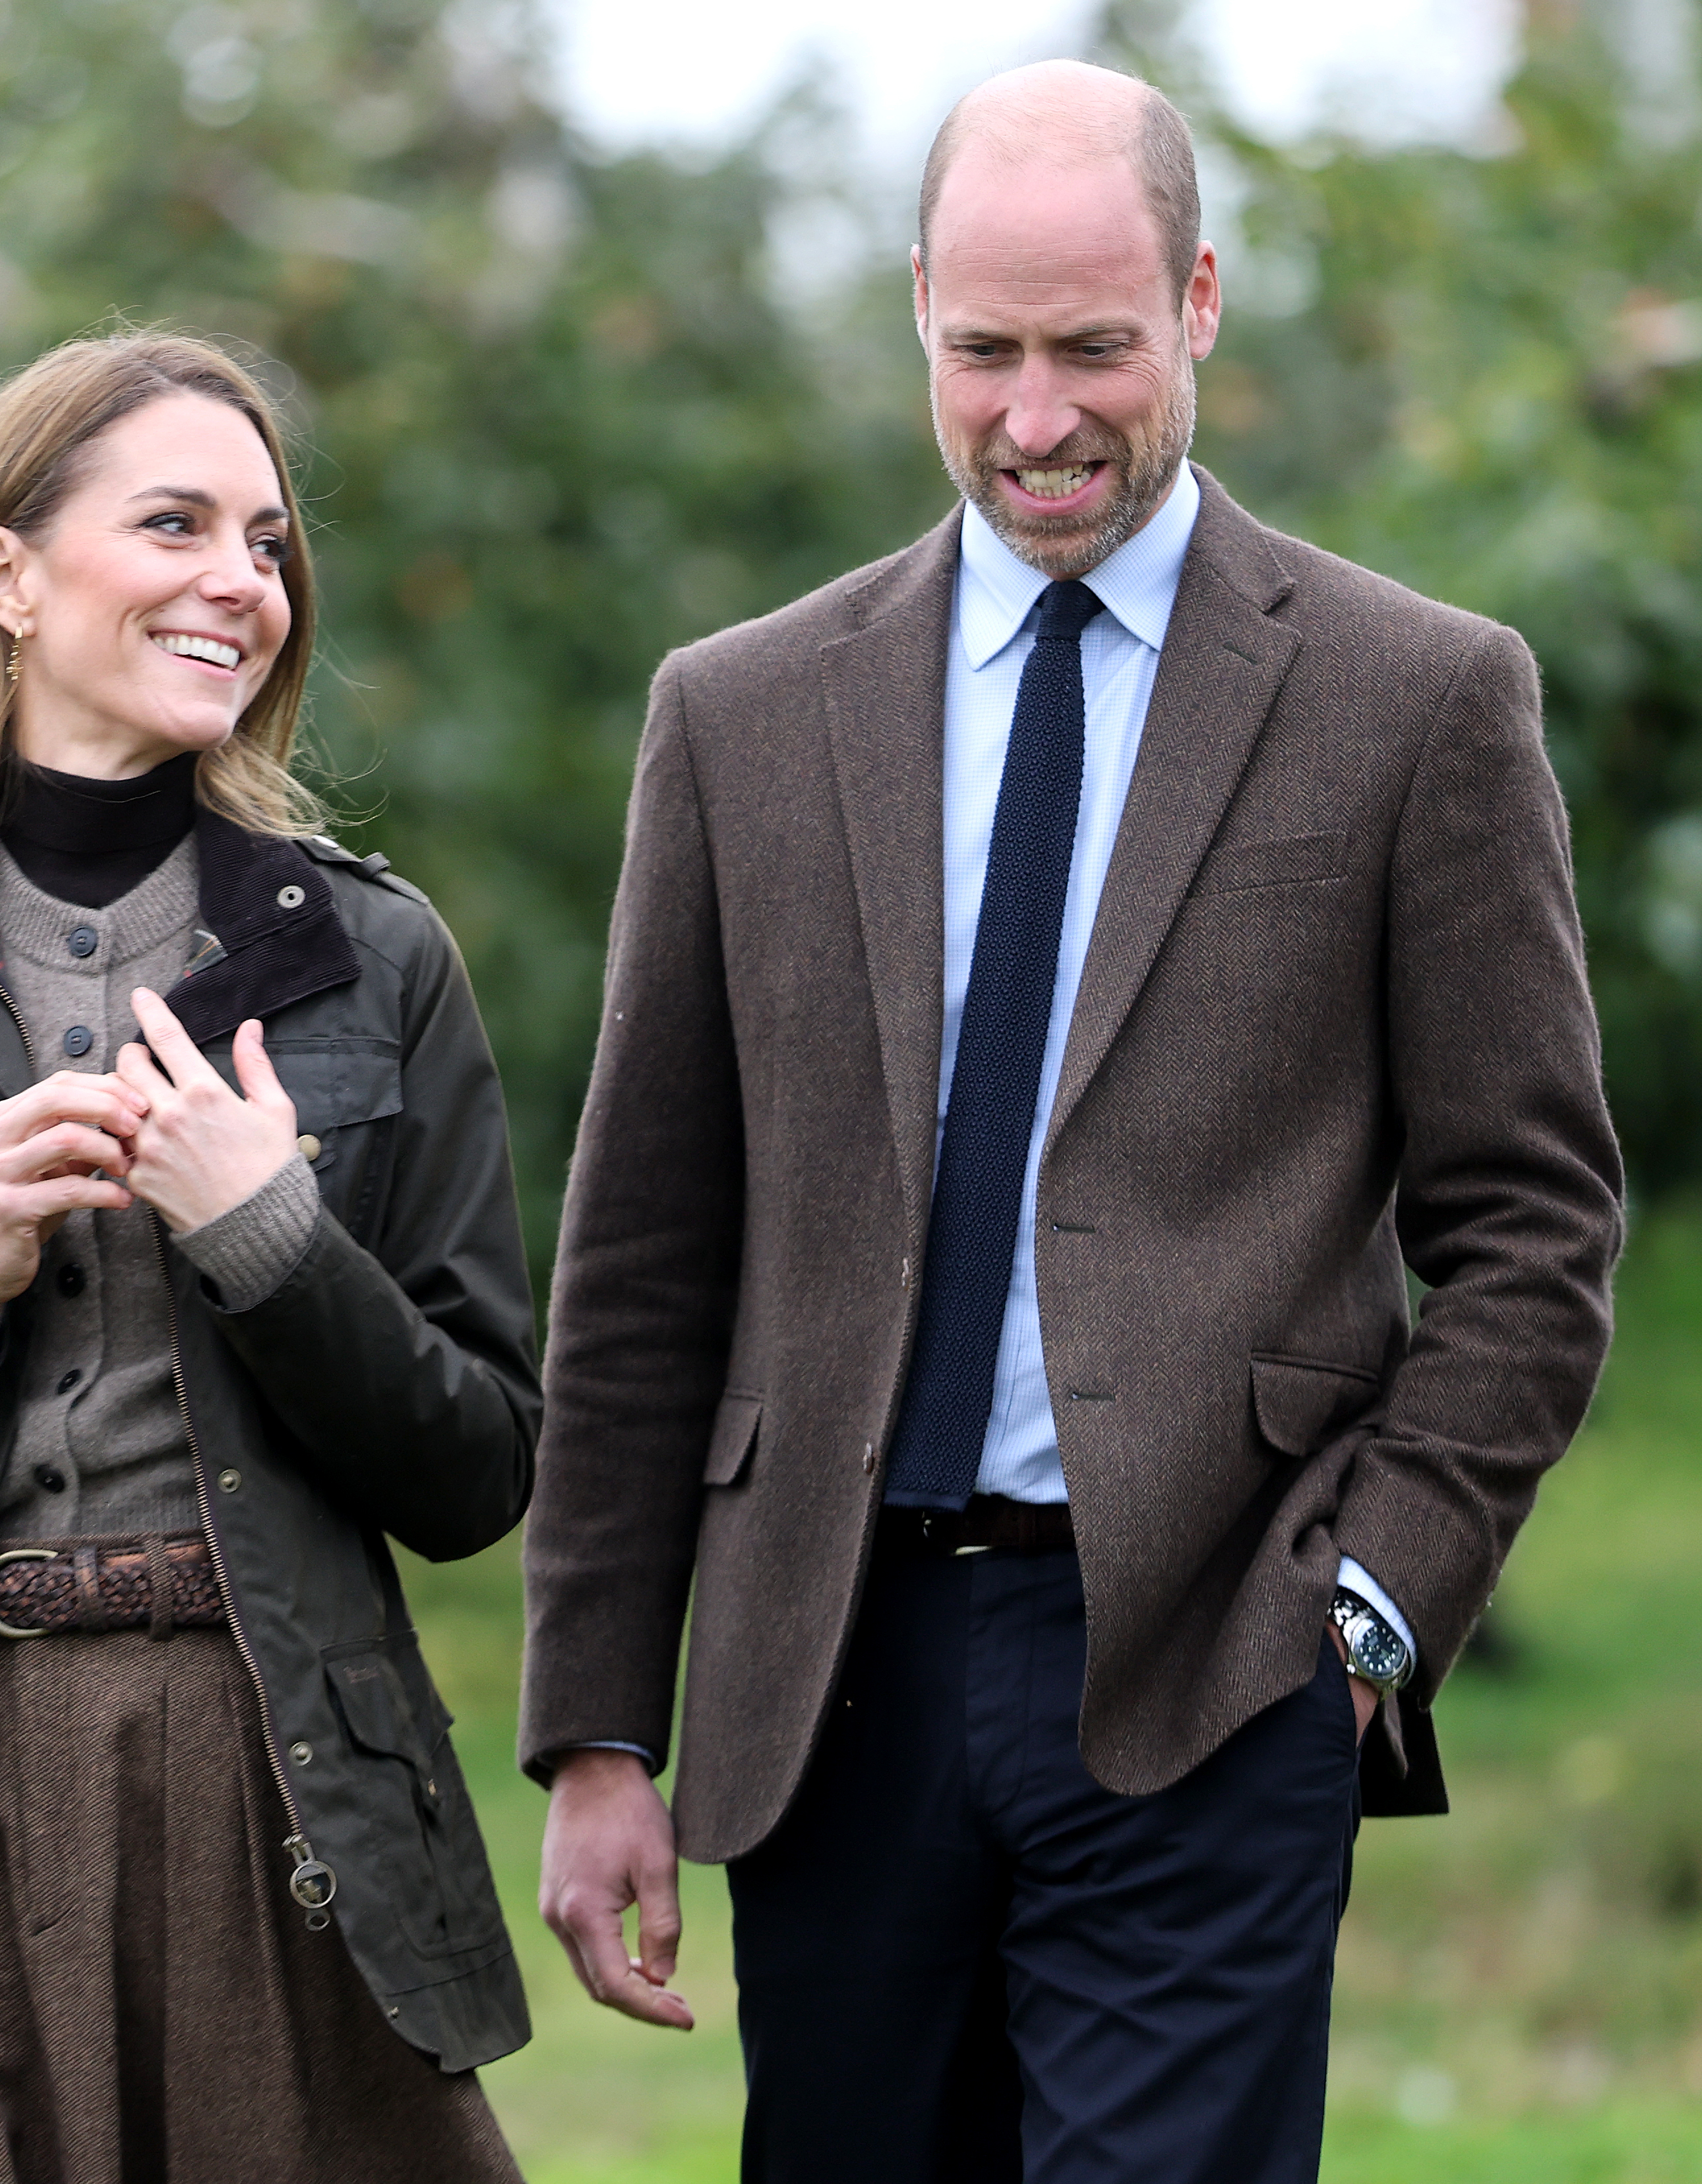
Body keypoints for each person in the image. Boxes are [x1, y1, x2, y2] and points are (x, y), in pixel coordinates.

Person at [519, 59, 1624, 2184]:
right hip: (820, 1680)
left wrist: (1368, 1613)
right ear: (917, 310)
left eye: (1095, 348)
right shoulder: (736, 716)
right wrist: (593, 1721)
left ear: (1198, 303)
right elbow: (643, 1250)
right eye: (985, 353)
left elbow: (1533, 1227)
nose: (1038, 418)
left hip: (1213, 1665)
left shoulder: (1417, 700)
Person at [0, 332, 540, 2184]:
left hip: (271, 1784)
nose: (246, 581)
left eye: (270, 542)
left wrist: (273, 1239)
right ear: (4, 573)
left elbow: (476, 1472)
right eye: (177, 524)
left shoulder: (377, 965)